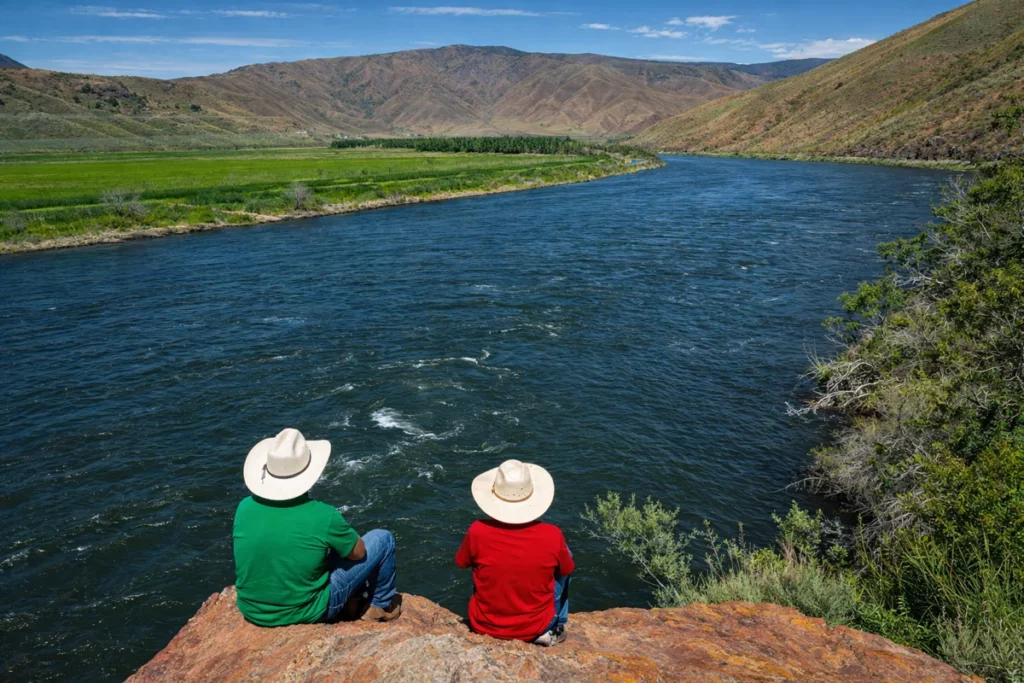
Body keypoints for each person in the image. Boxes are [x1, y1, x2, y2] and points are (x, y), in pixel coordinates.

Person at [233, 427, 402, 626]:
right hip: (308, 611)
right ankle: (380, 607)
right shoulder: (322, 514)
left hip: (252, 610)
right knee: (383, 539)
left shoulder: (244, 507)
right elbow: (358, 553)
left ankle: (354, 601)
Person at [455, 459, 574, 646]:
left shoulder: (477, 530)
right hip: (536, 627)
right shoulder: (552, 534)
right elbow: (567, 570)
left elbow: (461, 562)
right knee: (565, 556)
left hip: (484, 625)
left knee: (483, 563)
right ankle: (554, 628)